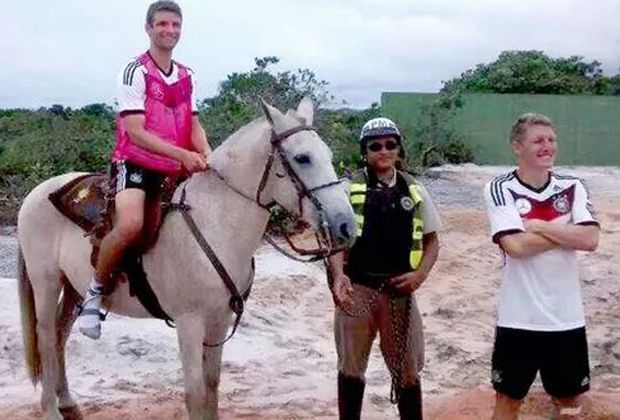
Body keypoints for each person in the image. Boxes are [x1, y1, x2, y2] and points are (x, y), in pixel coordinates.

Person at [79, 0, 210, 339]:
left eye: (175, 25)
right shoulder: (135, 70)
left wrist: (207, 153)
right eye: (163, 24)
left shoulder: (187, 74)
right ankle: (94, 293)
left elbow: (194, 124)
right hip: (135, 162)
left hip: (173, 165)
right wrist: (182, 154)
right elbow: (135, 131)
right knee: (131, 225)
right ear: (149, 28)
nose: (170, 30)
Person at [483, 113, 600, 419]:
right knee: (508, 403)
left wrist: (535, 224)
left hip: (567, 318)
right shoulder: (500, 188)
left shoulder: (573, 186)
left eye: (551, 140)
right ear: (516, 147)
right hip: (518, 318)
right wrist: (566, 231)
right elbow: (516, 247)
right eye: (538, 140)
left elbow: (590, 239)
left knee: (570, 406)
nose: (547, 146)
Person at [328, 117, 441, 420]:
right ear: (364, 151)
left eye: (390, 144)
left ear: (399, 150)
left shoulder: (415, 189)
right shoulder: (347, 188)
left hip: (400, 294)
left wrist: (419, 276)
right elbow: (336, 242)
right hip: (359, 290)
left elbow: (432, 241)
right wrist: (339, 275)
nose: (383, 150)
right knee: (351, 367)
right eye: (375, 145)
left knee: (407, 369)